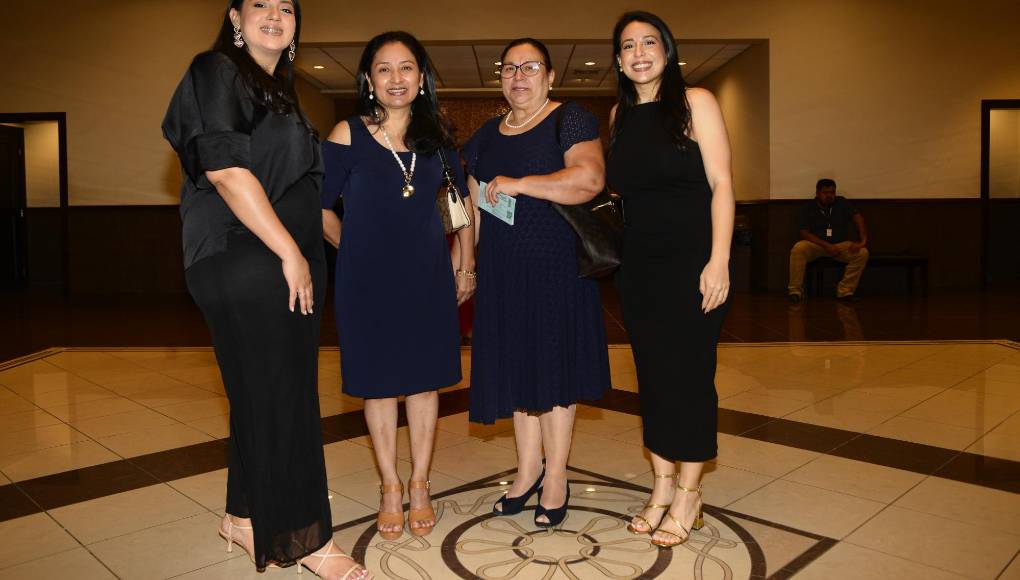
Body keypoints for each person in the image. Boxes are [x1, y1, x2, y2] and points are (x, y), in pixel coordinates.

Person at [161, 1, 370, 578]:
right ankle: (305, 538)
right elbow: (227, 171)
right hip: (247, 254)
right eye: (260, 3)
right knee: (285, 401)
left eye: (286, 6)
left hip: (281, 256)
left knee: (267, 391)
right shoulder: (215, 70)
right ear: (235, 17)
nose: (275, 14)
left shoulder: (279, 92)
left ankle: (242, 513)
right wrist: (289, 253)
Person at [320, 31, 475, 541]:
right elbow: (317, 207)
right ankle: (390, 486)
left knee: (425, 382)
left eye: (406, 67)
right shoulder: (347, 134)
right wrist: (354, 249)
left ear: (421, 77)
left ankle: (420, 482)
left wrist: (466, 264)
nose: (395, 78)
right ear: (369, 80)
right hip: (365, 283)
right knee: (379, 383)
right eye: (383, 69)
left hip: (427, 277)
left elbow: (460, 205)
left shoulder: (437, 138)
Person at [461, 38, 611, 529]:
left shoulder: (570, 118)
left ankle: (557, 476)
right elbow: (473, 205)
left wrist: (521, 183)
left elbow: (589, 180)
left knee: (553, 368)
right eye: (509, 68)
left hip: (555, 268)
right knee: (519, 369)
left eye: (530, 67)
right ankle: (527, 471)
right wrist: (465, 264)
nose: (518, 76)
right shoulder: (487, 134)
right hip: (502, 271)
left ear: (549, 76)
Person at [606, 11, 734, 549]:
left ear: (667, 50)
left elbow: (722, 184)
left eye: (648, 42)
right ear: (618, 60)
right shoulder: (618, 115)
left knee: (690, 376)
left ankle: (689, 493)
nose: (639, 52)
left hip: (693, 261)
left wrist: (719, 260)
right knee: (653, 377)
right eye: (628, 45)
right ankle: (660, 486)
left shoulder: (696, 102)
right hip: (640, 267)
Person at [787, 178, 869, 301]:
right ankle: (795, 291)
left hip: (839, 246)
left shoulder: (842, 202)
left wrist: (863, 241)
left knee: (862, 253)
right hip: (817, 245)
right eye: (825, 193)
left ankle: (845, 291)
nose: (829, 196)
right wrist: (826, 245)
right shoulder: (808, 207)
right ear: (817, 193)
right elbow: (804, 233)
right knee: (799, 248)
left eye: (832, 192)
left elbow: (858, 218)